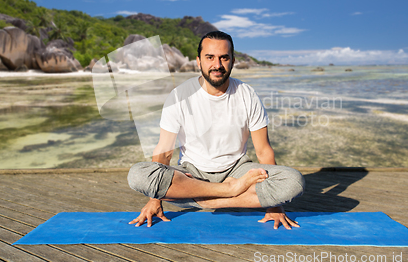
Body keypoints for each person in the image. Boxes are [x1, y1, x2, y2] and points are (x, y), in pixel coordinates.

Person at [127, 31, 305, 229]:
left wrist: (275, 206)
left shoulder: (247, 94)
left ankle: (207, 199)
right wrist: (154, 200)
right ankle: (229, 191)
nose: (217, 65)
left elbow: (263, 150)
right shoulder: (179, 95)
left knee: (293, 182)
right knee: (139, 175)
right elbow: (165, 151)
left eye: (224, 58)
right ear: (198, 61)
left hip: (238, 171)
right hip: (192, 174)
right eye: (210, 57)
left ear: (233, 61)